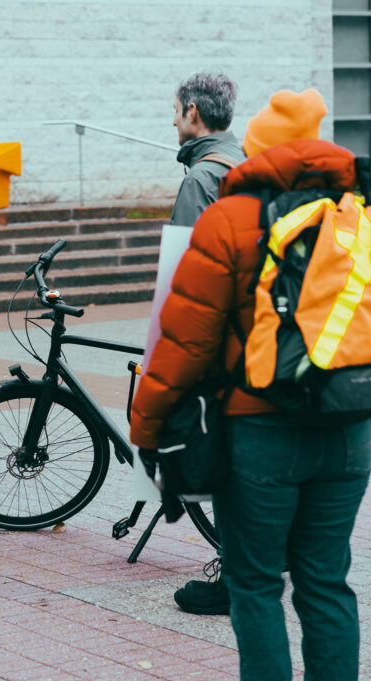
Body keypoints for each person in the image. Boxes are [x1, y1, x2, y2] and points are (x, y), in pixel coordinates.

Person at [131, 89, 370, 681]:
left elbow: (184, 344)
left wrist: (148, 428)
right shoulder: (359, 213)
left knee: (256, 584)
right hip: (350, 429)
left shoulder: (232, 219)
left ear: (258, 151)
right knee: (325, 580)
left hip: (259, 431)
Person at [167, 72, 244, 615]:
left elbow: (189, 278)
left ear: (194, 112)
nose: (172, 121)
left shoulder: (202, 177)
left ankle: (234, 580)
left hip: (214, 349)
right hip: (257, 344)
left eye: (174, 111)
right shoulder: (251, 165)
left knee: (219, 461)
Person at [170, 72, 244, 227]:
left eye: (176, 111)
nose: (174, 122)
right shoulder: (246, 157)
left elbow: (185, 248)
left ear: (191, 111)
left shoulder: (199, 178)